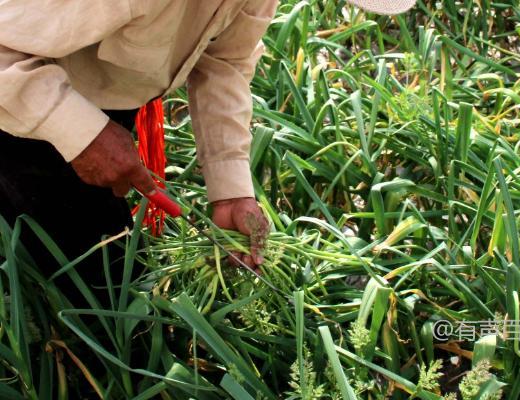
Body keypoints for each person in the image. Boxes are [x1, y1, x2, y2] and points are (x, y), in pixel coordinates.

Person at [0, 0, 415, 298]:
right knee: (95, 286)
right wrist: (81, 132)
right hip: (19, 104)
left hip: (94, 94)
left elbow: (225, 61)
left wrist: (231, 189)